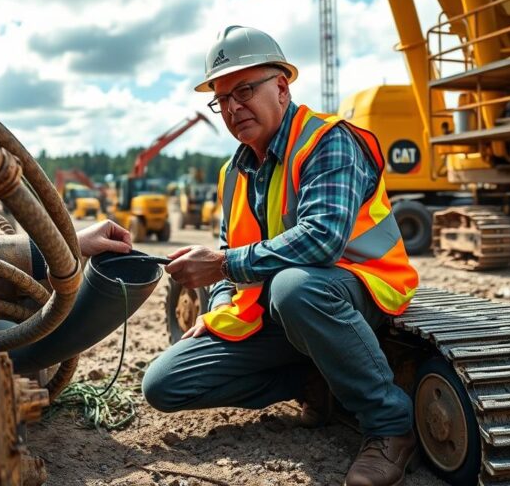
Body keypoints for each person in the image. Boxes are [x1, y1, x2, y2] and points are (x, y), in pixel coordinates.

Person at [142, 26, 420, 486]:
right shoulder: (233, 172)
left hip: (354, 290)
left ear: (282, 87)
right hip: (282, 310)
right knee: (164, 384)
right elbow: (230, 254)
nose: (233, 107)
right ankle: (311, 380)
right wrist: (215, 310)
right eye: (222, 98)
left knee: (296, 287)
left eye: (245, 90)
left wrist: (222, 264)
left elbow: (321, 240)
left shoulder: (327, 141)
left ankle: (390, 424)